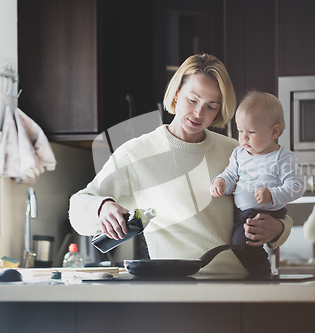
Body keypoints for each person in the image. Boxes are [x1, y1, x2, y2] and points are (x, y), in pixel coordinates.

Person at [69, 54, 293, 275]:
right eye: (192, 100)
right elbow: (78, 208)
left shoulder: (235, 152)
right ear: (176, 94)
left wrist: (278, 229)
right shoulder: (137, 154)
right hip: (177, 290)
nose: (199, 113)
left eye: (211, 106)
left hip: (240, 286)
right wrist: (102, 207)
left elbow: (273, 207)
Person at [210, 91, 304, 274]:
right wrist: (221, 182)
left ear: (274, 132)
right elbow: (231, 175)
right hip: (241, 214)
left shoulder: (282, 157)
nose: (244, 138)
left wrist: (272, 194)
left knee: (242, 244)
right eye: (240, 131)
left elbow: (297, 186)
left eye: (251, 132)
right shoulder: (239, 153)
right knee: (239, 243)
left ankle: (263, 273)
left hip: (266, 212)